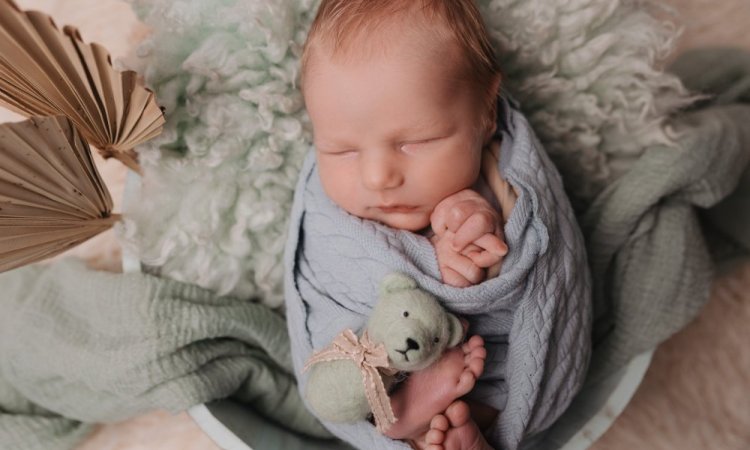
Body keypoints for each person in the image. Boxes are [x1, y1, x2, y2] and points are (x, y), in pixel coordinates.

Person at [286, 0, 590, 449]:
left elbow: (525, 251)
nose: (377, 177)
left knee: (486, 384)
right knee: (340, 372)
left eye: (416, 142)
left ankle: (447, 426)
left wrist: (471, 241)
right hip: (372, 350)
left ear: (486, 114)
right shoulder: (332, 205)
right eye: (342, 150)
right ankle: (411, 417)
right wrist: (429, 266)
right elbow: (324, 275)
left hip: (482, 377)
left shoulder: (497, 176)